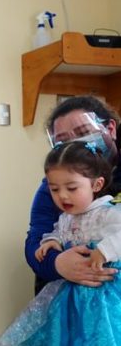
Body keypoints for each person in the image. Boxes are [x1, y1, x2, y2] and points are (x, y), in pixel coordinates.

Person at [0, 142, 121, 346]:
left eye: (71, 187)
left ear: (96, 184)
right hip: (73, 305)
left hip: (106, 300)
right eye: (54, 189)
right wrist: (51, 242)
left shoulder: (107, 213)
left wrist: (104, 249)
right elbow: (58, 231)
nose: (62, 196)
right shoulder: (66, 217)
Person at [25, 96, 121, 293]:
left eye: (84, 133)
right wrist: (57, 262)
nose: (75, 144)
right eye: (62, 142)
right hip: (76, 290)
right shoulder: (53, 188)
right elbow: (37, 240)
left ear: (111, 129)